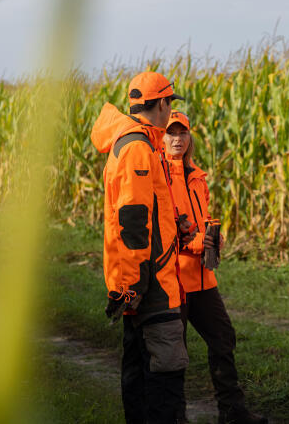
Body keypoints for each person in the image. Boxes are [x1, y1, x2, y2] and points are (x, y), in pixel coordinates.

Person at [90, 71, 190, 424]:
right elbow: (133, 221)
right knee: (164, 371)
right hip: (151, 285)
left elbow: (146, 211)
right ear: (162, 103)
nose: (170, 111)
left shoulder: (142, 142)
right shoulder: (136, 147)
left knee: (139, 368)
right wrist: (132, 285)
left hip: (141, 281)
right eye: (169, 103)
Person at [163, 111, 267, 424]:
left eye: (183, 133)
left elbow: (197, 221)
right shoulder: (158, 178)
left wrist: (212, 236)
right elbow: (164, 231)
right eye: (171, 133)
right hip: (174, 280)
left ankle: (232, 412)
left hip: (203, 279)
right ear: (161, 137)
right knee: (174, 354)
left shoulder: (197, 179)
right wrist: (198, 243)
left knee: (223, 338)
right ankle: (175, 416)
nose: (178, 139)